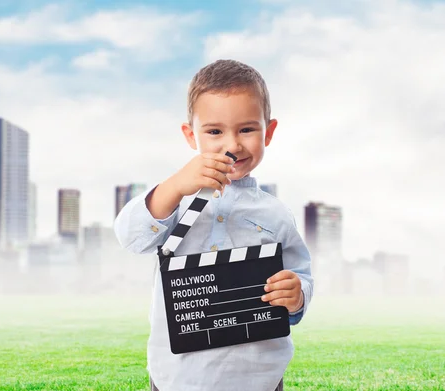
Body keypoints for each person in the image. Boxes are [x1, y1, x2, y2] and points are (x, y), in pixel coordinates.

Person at [114, 59, 314, 391]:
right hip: (178, 377)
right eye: (215, 131)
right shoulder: (175, 197)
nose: (233, 145)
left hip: (258, 378)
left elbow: (300, 276)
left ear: (270, 131)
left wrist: (297, 295)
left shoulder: (277, 214)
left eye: (247, 129)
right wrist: (176, 185)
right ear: (191, 135)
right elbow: (130, 236)